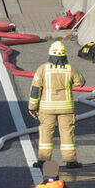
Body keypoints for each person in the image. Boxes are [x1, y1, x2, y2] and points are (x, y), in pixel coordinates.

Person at [28, 41, 86, 169]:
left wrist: (32, 107)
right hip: (66, 109)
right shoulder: (70, 68)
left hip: (46, 109)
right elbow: (80, 82)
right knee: (67, 133)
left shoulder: (42, 69)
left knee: (45, 133)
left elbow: (35, 90)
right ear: (64, 55)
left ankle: (43, 161)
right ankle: (70, 161)